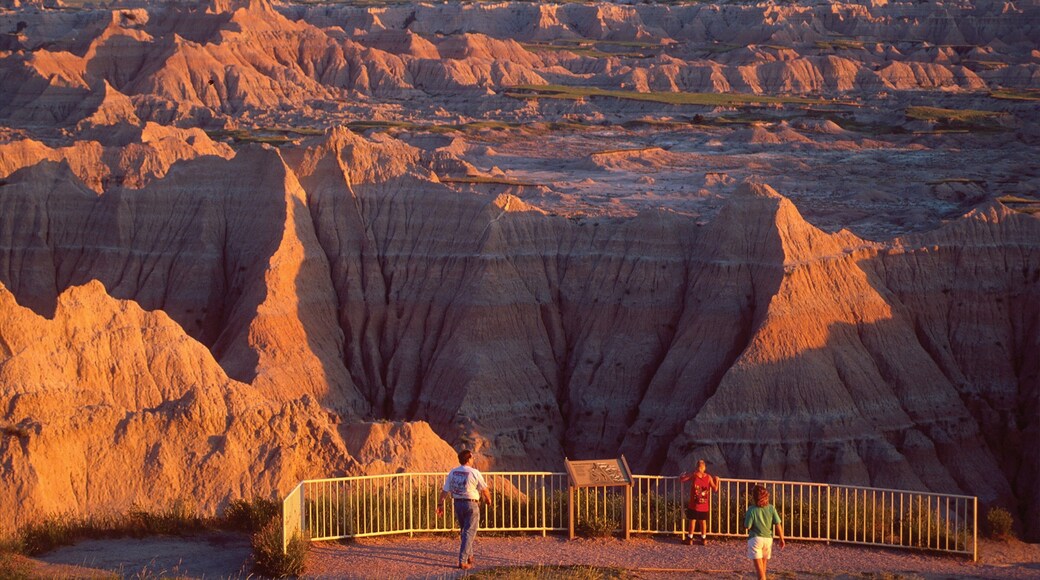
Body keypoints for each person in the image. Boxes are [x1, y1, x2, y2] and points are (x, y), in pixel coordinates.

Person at [437, 449, 492, 570]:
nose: (473, 460)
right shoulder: (474, 472)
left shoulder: (453, 472)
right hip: (471, 504)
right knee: (469, 532)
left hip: (458, 503)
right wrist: (488, 500)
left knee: (465, 531)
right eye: (472, 458)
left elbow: (445, 490)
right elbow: (484, 488)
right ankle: (462, 561)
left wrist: (440, 504)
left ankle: (470, 556)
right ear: (468, 459)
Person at [743, 484, 785, 580]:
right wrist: (781, 538)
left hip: (755, 539)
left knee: (760, 573)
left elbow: (747, 526)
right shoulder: (771, 508)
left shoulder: (752, 509)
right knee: (763, 570)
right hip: (768, 540)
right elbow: (778, 524)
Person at [678, 459, 720, 544]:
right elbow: (715, 489)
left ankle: (690, 538)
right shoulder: (708, 477)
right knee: (703, 522)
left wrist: (681, 475)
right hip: (704, 504)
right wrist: (717, 480)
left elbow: (682, 479)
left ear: (697, 467)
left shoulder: (694, 475)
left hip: (694, 504)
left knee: (692, 520)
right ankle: (703, 539)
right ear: (704, 467)